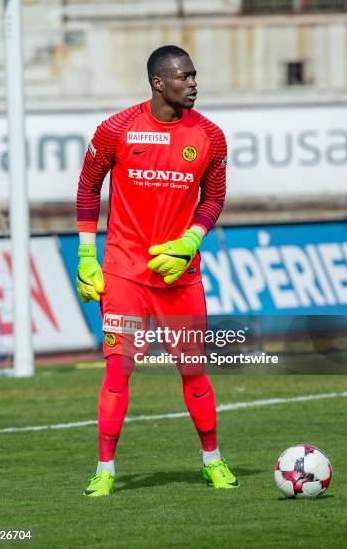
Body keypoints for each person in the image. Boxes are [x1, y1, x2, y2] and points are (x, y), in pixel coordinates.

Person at [76, 45, 238, 497]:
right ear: (158, 82)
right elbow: (88, 187)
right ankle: (105, 469)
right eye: (184, 76)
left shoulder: (210, 136)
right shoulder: (116, 130)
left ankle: (213, 461)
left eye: (194, 75)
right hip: (125, 270)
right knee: (119, 368)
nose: (193, 83)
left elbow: (214, 198)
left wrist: (191, 241)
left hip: (178, 275)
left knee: (193, 370)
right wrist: (87, 256)